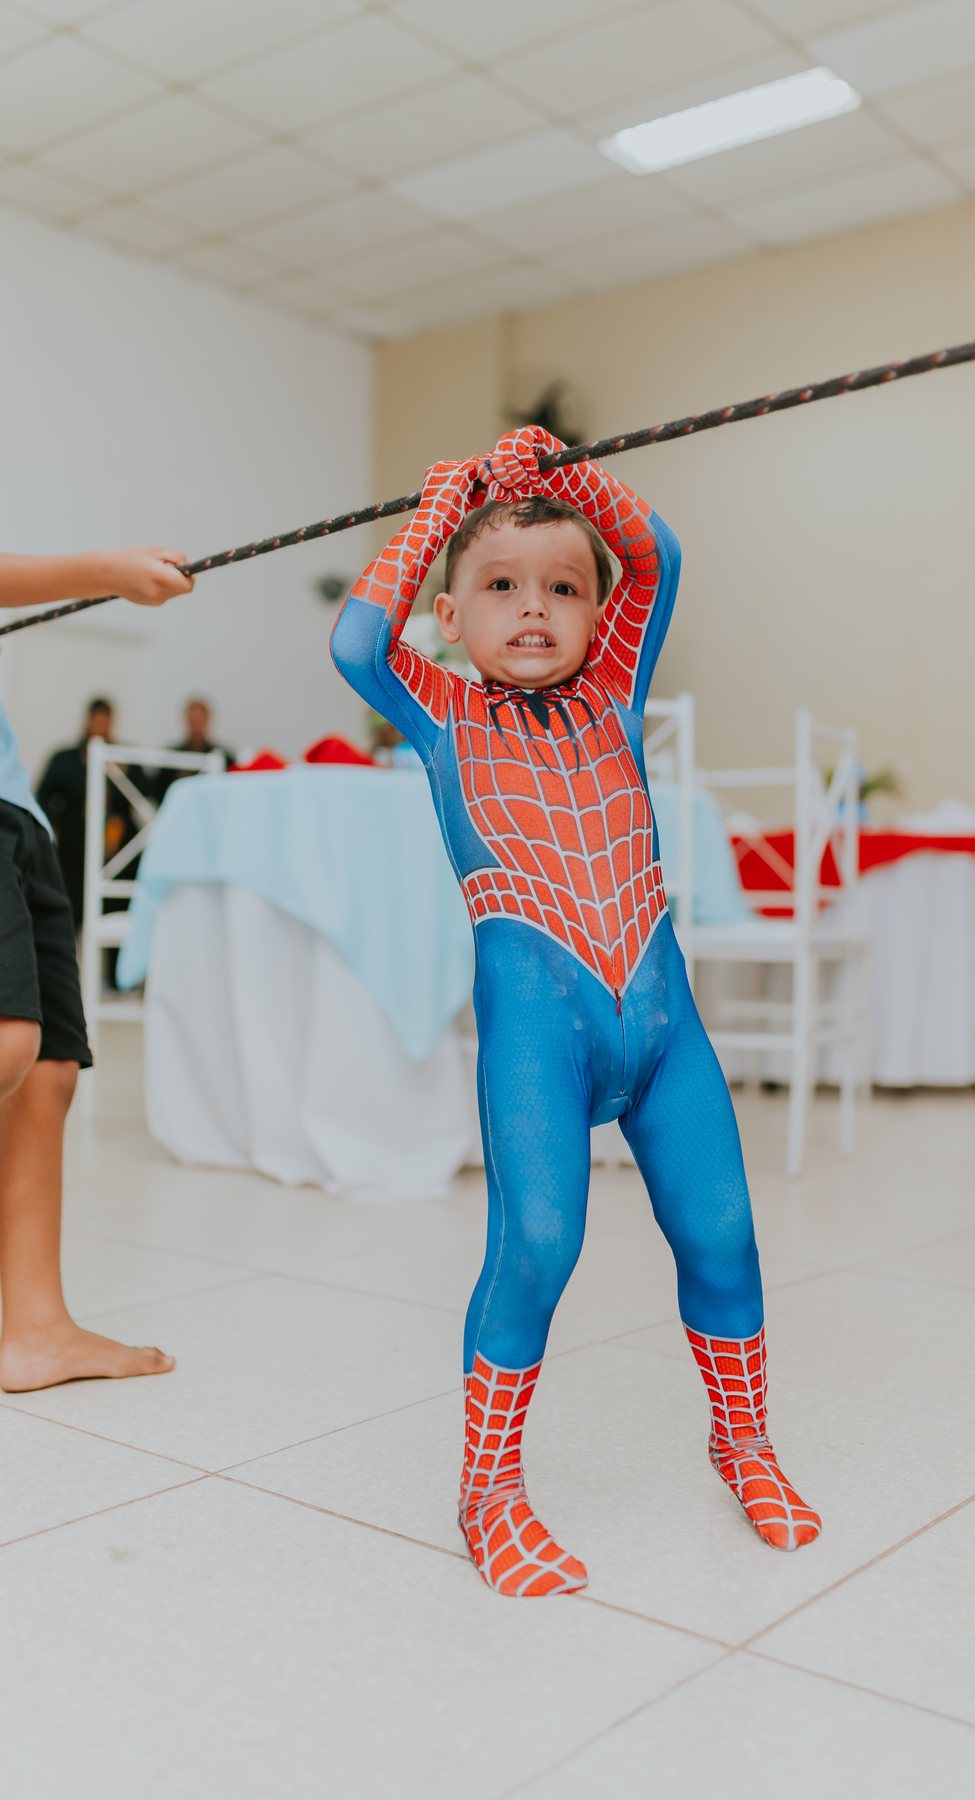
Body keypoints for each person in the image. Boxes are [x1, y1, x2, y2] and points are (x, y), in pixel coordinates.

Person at [331, 428, 820, 1598]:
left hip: (663, 1033)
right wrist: (449, 503)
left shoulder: (615, 692)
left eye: (563, 587)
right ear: (451, 614)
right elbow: (357, 639)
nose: (535, 608)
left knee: (722, 1233)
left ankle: (742, 1442)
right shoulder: (443, 708)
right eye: (499, 587)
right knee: (539, 1244)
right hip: (539, 1032)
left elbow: (656, 553)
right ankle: (488, 1491)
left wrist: (565, 481)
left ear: (600, 617)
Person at [0, 545, 189, 1392]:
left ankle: (34, 1330)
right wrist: (109, 572)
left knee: (48, 1074)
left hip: (17, 815)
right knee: (9, 1043)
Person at [36, 697, 133, 929]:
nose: (101, 728)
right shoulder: (66, 759)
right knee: (69, 919)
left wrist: (122, 771)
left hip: (114, 856)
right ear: (87, 722)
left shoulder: (123, 759)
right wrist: (54, 828)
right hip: (73, 855)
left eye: (106, 723)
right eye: (97, 722)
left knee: (111, 921)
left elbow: (140, 801)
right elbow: (42, 795)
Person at [151, 696, 233, 802]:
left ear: (207, 720)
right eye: (193, 722)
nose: (196, 728)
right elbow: (159, 793)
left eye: (199, 722)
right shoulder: (170, 757)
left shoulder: (224, 757)